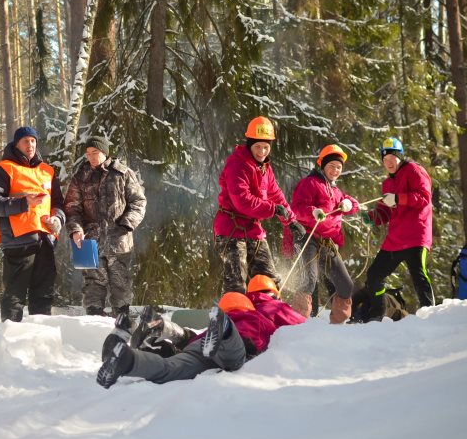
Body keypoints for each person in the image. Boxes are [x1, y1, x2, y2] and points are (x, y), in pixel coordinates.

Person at [96, 290, 305, 388]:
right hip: (236, 343)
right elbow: (302, 326)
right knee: (233, 359)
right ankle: (225, 330)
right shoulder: (257, 315)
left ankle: (128, 361)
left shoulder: (210, 329)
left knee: (170, 368)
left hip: (199, 348)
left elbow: (189, 341)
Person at [213, 116, 306, 294]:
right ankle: (232, 317)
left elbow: (276, 195)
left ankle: (267, 315)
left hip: (253, 230)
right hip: (231, 229)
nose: (262, 151)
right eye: (258, 147)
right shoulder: (237, 164)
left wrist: (291, 221)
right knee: (236, 283)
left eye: (266, 147)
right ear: (249, 144)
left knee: (268, 280)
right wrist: (271, 209)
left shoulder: (265, 168)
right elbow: (242, 200)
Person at [0, 126, 66, 322]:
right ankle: (9, 341)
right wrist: (24, 203)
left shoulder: (47, 171)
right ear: (16, 144)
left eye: (33, 140)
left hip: (45, 240)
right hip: (18, 241)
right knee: (15, 296)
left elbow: (58, 203)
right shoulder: (4, 168)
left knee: (43, 296)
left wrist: (57, 219)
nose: (30, 145)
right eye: (25, 141)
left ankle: (40, 342)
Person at [64, 136, 147, 316]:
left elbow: (139, 203)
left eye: (95, 153)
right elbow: (72, 208)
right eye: (88, 154)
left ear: (105, 152)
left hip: (119, 240)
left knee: (120, 282)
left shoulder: (122, 173)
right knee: (92, 283)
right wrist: (76, 230)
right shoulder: (80, 177)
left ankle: (122, 320)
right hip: (89, 241)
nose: (91, 157)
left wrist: (126, 225)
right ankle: (94, 321)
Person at [360, 137, 434, 320]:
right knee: (374, 275)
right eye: (385, 159)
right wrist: (372, 218)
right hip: (395, 240)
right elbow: (386, 210)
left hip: (416, 235)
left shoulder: (414, 170)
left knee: (419, 275)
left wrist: (399, 198)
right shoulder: (387, 183)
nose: (389, 162)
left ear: (400, 156)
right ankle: (377, 314)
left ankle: (430, 314)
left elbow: (424, 197)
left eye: (392, 157)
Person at [285, 145, 360, 322]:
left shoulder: (336, 191)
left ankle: (338, 324)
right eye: (332, 166)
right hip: (308, 238)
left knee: (345, 285)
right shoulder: (310, 183)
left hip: (327, 242)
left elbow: (354, 205)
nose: (335, 170)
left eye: (339, 167)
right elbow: (296, 208)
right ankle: (298, 323)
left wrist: (349, 203)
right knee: (309, 281)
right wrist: (312, 212)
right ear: (323, 165)